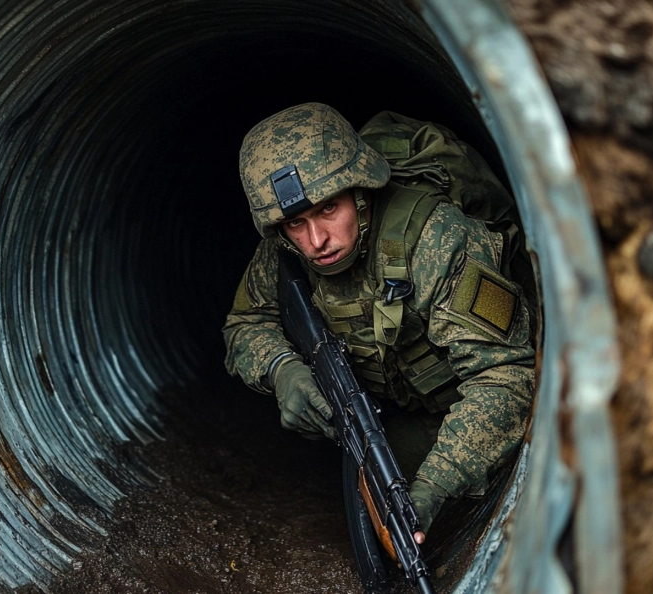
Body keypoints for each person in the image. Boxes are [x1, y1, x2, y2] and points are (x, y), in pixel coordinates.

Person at [222, 102, 536, 544]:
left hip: (464, 412)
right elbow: (245, 322)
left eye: (329, 208)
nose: (317, 241)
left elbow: (505, 377)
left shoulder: (437, 239)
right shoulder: (285, 251)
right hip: (394, 416)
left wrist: (434, 486)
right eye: (296, 222)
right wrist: (280, 369)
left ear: (360, 189)